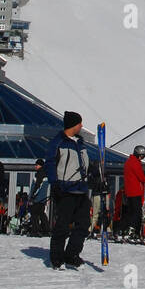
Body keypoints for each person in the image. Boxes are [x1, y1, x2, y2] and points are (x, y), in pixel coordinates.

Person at [43, 111, 97, 269]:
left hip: (81, 190)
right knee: (62, 226)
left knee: (83, 224)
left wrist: (93, 174)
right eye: (80, 123)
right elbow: (50, 163)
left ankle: (72, 253)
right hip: (65, 189)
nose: (81, 126)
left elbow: (85, 164)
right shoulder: (58, 142)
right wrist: (55, 183)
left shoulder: (80, 143)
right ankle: (57, 258)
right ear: (73, 124)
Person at [121, 145, 145, 241]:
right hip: (135, 191)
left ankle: (126, 230)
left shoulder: (128, 162)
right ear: (139, 155)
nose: (142, 158)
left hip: (128, 191)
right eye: (142, 156)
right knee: (137, 213)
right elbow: (141, 177)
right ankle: (133, 231)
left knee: (130, 212)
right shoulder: (135, 163)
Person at [28, 158, 50, 235]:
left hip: (37, 198)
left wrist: (33, 196)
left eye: (36, 165)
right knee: (41, 214)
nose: (35, 166)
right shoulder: (46, 174)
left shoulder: (39, 174)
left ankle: (35, 230)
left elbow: (38, 186)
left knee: (34, 214)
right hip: (43, 199)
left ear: (40, 165)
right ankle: (46, 230)